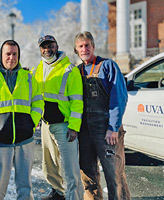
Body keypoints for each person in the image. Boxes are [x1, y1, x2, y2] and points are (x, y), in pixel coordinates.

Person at [0, 40, 44, 200]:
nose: (11, 57)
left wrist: (32, 122)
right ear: (1, 55)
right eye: (8, 54)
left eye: (15, 54)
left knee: (25, 187)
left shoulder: (28, 78)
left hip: (25, 141)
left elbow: (38, 101)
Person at [74, 31, 131, 200]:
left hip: (107, 131)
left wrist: (113, 128)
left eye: (87, 45)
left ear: (93, 47)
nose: (84, 49)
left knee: (114, 174)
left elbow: (119, 97)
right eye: (81, 46)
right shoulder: (76, 72)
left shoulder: (108, 66)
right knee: (88, 174)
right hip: (85, 132)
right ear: (76, 50)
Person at [33, 35, 84, 200]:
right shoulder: (37, 70)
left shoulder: (70, 70)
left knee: (71, 170)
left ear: (57, 46)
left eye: (51, 46)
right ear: (40, 49)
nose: (47, 49)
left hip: (65, 127)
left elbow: (77, 101)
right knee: (49, 166)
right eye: (44, 46)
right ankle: (58, 193)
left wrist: (74, 127)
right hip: (46, 126)